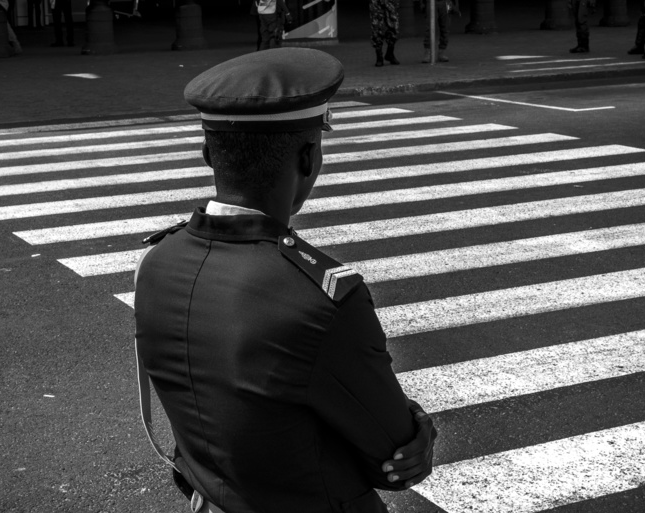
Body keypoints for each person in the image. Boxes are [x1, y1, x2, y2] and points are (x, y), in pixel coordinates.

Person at [134, 48, 437, 513]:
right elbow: (391, 458)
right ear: (309, 159)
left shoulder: (157, 262)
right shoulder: (320, 299)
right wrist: (417, 424)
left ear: (206, 154)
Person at [370, 0, 400, 67]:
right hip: (377, 4)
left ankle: (390, 53)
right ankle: (379, 56)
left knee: (393, 26)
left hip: (391, 2)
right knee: (377, 27)